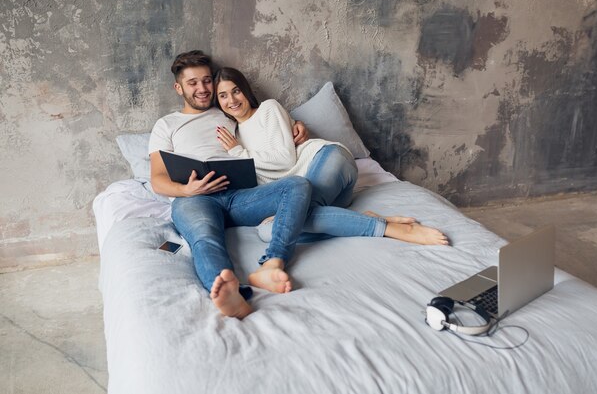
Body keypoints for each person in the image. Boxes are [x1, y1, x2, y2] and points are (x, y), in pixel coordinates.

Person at [149, 50, 313, 320]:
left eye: (206, 81)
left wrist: (296, 124)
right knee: (204, 236)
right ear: (178, 88)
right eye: (193, 83)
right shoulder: (167, 125)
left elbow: (261, 120)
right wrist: (187, 190)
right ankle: (233, 295)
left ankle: (274, 262)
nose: (202, 89)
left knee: (297, 185)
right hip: (194, 199)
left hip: (239, 195)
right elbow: (157, 179)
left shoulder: (227, 111)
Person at [213, 67, 449, 246]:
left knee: (287, 223)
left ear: (245, 90)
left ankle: (388, 229)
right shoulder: (234, 136)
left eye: (235, 91)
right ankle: (360, 218)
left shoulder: (268, 109)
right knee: (267, 232)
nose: (231, 100)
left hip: (328, 161)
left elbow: (285, 159)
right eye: (223, 96)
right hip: (332, 199)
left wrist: (239, 153)